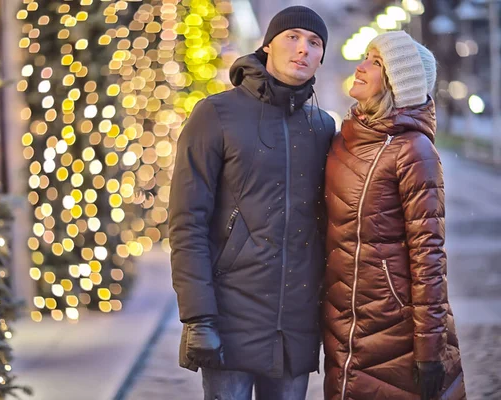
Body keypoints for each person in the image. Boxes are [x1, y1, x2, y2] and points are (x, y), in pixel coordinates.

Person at [168, 6, 335, 400]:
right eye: (292, 36)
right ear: (268, 45)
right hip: (230, 317)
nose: (303, 49)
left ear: (321, 58)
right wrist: (198, 317)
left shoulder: (322, 126)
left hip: (295, 326)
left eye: (314, 43)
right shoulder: (216, 114)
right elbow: (186, 222)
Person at [322, 30, 466, 400]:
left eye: (376, 62)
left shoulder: (413, 150)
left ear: (396, 82)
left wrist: (430, 348)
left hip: (394, 331)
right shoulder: (344, 139)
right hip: (344, 327)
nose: (360, 67)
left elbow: (428, 255)